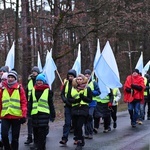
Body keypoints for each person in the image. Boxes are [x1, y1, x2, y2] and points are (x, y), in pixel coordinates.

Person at [0, 70, 27, 150]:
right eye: (9, 77)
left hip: (16, 116)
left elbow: (24, 102)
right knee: (4, 135)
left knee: (15, 138)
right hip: (5, 115)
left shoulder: (19, 89)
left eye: (12, 77)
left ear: (15, 79)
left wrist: (24, 115)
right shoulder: (3, 89)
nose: (10, 79)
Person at [28, 73, 56, 150]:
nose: (39, 82)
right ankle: (36, 144)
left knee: (42, 133)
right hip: (34, 114)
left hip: (44, 114)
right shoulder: (33, 90)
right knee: (35, 131)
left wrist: (53, 114)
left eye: (40, 80)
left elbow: (51, 103)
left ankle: (41, 147)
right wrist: (28, 113)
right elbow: (30, 102)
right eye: (37, 80)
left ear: (43, 81)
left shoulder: (48, 91)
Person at [68, 74, 92, 150]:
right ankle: (81, 139)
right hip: (75, 109)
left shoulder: (87, 88)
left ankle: (79, 142)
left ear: (83, 80)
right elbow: (69, 98)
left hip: (83, 109)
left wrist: (83, 98)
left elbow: (90, 100)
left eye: (80, 79)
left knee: (79, 125)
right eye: (77, 79)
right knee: (75, 126)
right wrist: (76, 100)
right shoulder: (72, 88)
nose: (79, 80)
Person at [59, 69, 77, 145]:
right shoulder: (65, 84)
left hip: (75, 106)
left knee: (76, 123)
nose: (70, 78)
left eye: (72, 76)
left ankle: (77, 138)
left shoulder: (77, 84)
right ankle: (64, 138)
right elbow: (62, 94)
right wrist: (65, 100)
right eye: (69, 76)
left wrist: (73, 101)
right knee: (67, 123)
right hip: (67, 106)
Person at [24, 66, 40, 145]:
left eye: (35, 71)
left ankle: (37, 138)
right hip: (30, 103)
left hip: (38, 104)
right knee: (29, 121)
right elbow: (27, 92)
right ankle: (29, 137)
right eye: (33, 71)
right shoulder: (30, 81)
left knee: (37, 122)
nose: (33, 72)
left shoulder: (40, 80)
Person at [84, 69, 100, 139]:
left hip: (92, 103)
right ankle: (86, 133)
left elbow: (98, 92)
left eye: (88, 75)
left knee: (90, 117)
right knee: (85, 118)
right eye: (86, 75)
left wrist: (91, 92)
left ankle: (90, 133)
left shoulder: (94, 83)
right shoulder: (82, 82)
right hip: (84, 103)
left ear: (91, 76)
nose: (87, 77)